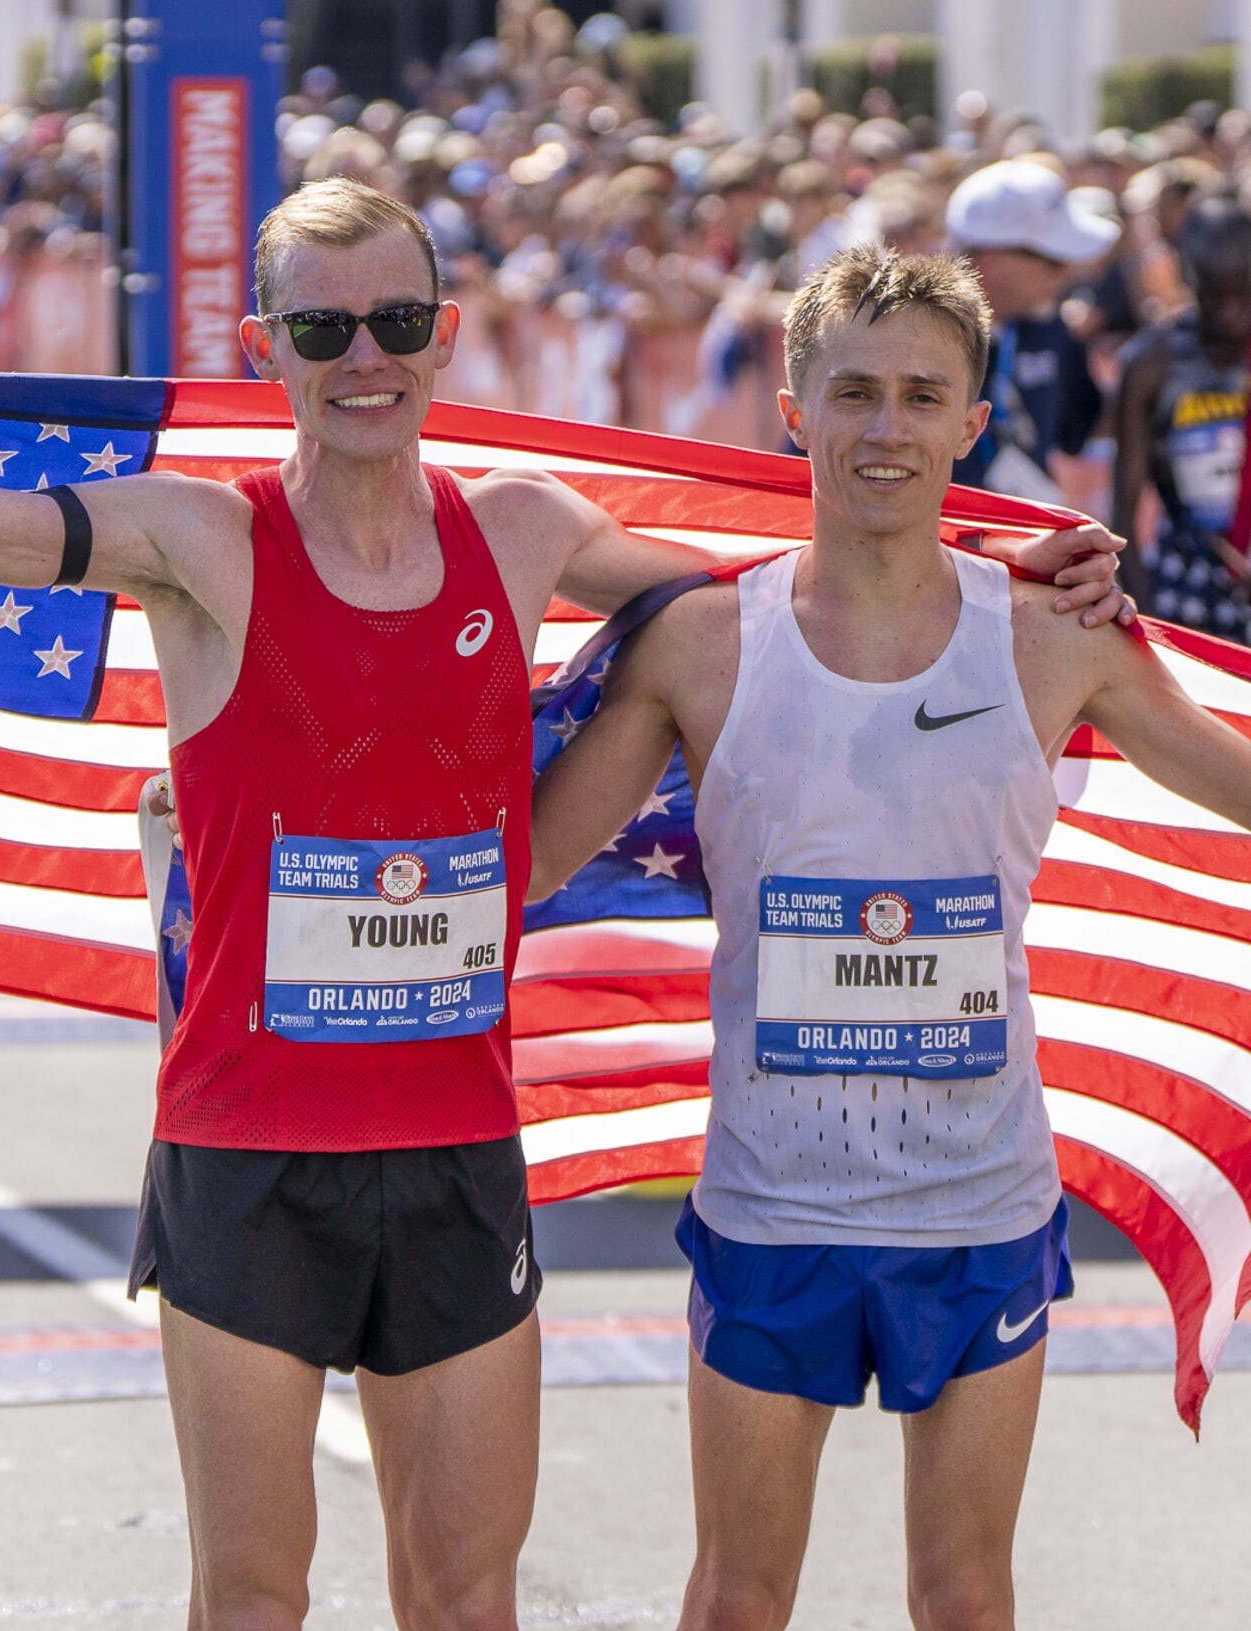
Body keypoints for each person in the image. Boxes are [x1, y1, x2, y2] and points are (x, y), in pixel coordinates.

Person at [0, 177, 1123, 1629]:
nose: (363, 355)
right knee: (252, 1595)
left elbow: (786, 604)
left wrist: (995, 569)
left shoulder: (522, 528)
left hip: (455, 1147)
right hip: (246, 1152)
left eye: (395, 321)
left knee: (466, 1597)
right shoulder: (200, 536)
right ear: (264, 347)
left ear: (444, 337)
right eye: (321, 327)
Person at [527, 245, 1251, 1631]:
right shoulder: (701, 641)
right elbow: (529, 861)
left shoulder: (1054, 635)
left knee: (964, 1597)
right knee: (739, 1598)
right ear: (793, 408)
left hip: (980, 1208)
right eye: (854, 392)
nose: (886, 428)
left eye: (923, 396)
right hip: (773, 1205)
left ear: (970, 422)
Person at [1112, 191, 1251, 636]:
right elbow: (1124, 508)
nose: (1232, 314)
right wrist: (1147, 624)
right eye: (1216, 297)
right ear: (1190, 279)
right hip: (1185, 587)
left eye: (1244, 294)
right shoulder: (1153, 364)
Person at [946, 158, 1119, 504]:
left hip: (1022, 532)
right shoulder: (914, 340)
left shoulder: (1051, 329)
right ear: (992, 259)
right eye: (1053, 260)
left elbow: (1080, 429)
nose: (1067, 272)